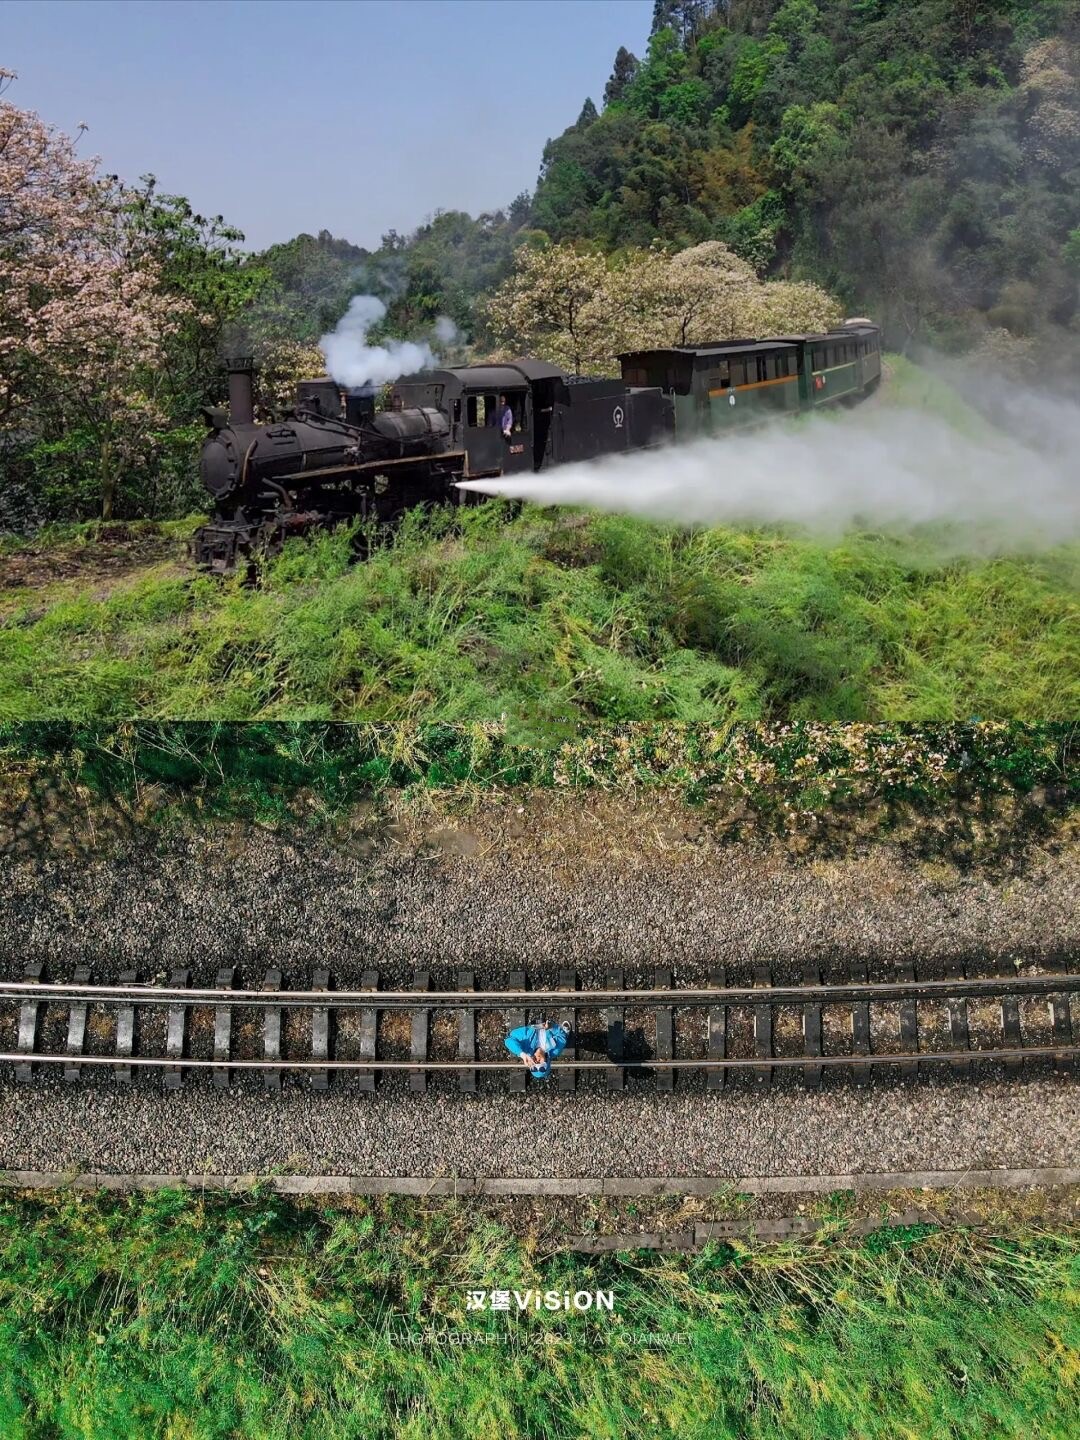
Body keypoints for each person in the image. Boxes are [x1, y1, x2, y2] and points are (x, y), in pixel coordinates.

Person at [504, 1020, 571, 1081]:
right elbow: (561, 1037)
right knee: (564, 1036)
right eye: (540, 1063)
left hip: (532, 1028)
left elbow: (508, 1040)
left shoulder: (525, 1050)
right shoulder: (554, 1050)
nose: (537, 1060)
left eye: (534, 1063)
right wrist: (551, 1027)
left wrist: (521, 1053)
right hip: (548, 1027)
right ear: (547, 1061)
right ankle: (566, 1032)